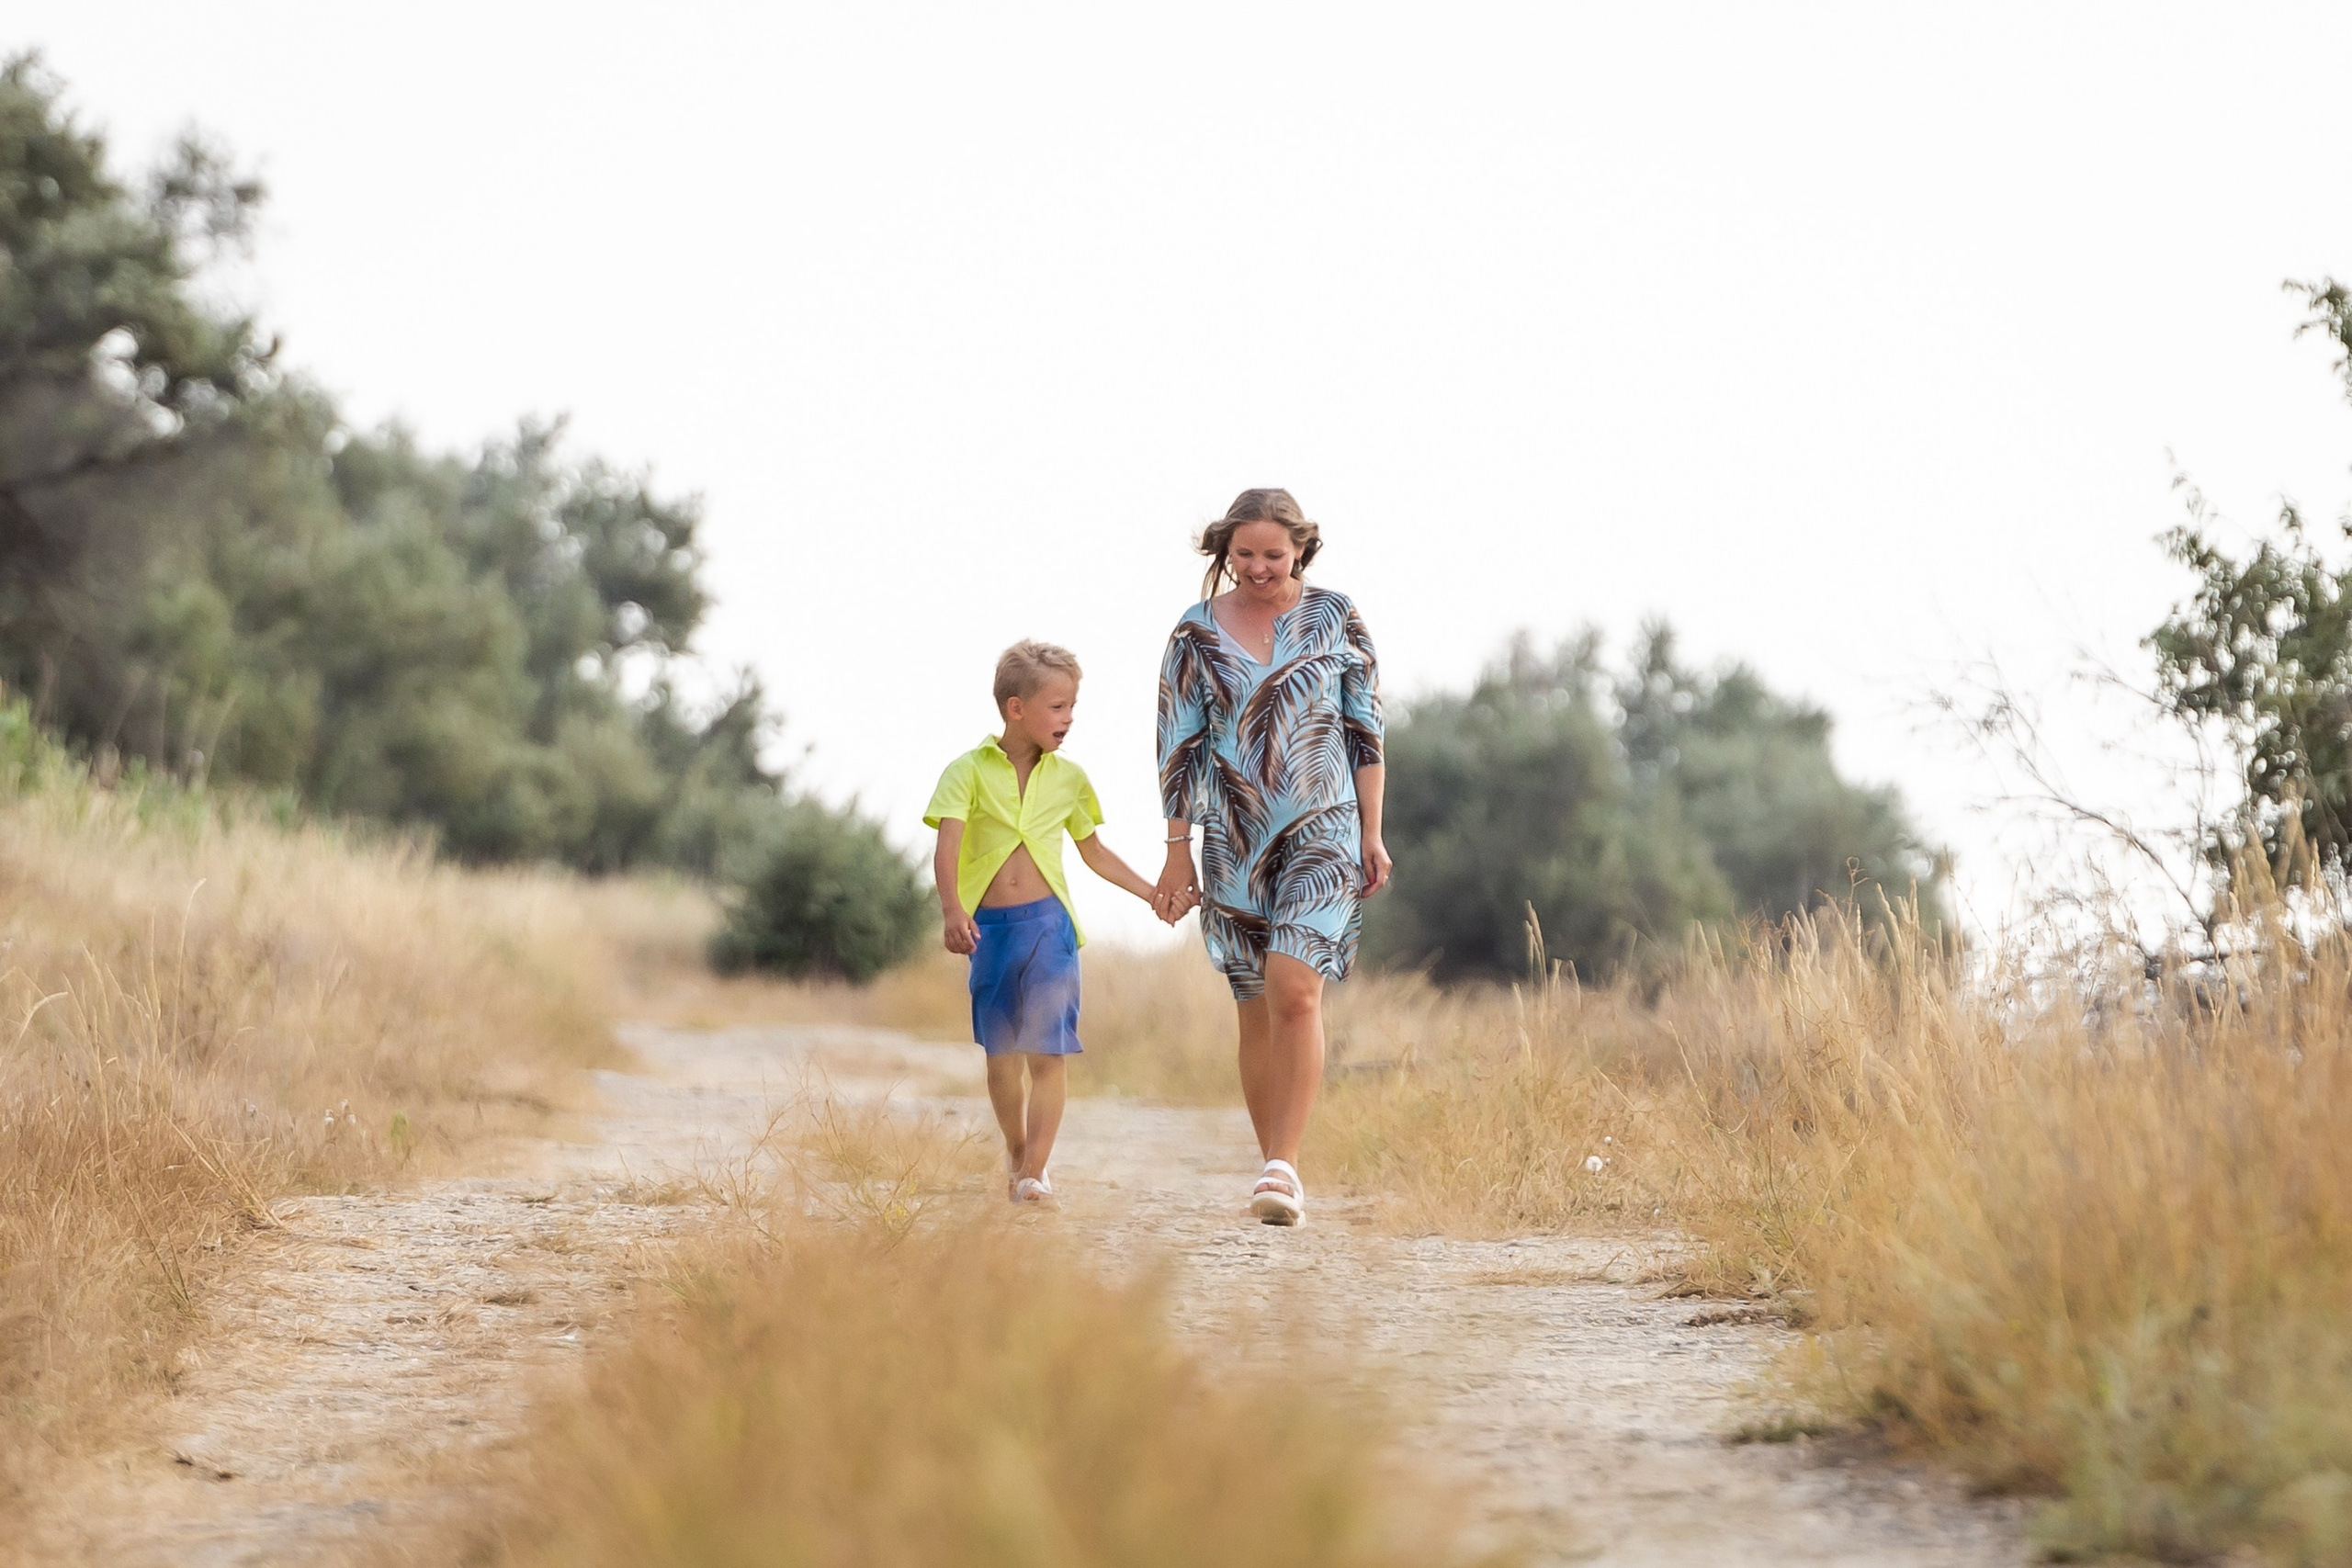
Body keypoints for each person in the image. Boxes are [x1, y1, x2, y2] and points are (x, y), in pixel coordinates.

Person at [1153, 489, 1389, 1226]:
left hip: (1326, 831)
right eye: (1244, 554)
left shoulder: (1337, 616)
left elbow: (1366, 733)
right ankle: (1273, 1167)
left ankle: (1283, 1164)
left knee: (1295, 989)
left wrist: (1373, 833)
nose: (1258, 567)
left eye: (1273, 554)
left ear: (1301, 550)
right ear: (1225, 551)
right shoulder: (1194, 632)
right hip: (1235, 836)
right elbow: (1177, 745)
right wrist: (1176, 850)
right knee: (1254, 1003)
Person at [926, 639, 1171, 1204]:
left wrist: (1152, 894)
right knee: (1001, 1058)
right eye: (1058, 706)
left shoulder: (1070, 779)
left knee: (1048, 1051)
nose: (1069, 717)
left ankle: (1035, 1170)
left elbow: (1095, 852)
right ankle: (1016, 1150)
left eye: (1072, 706)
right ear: (1016, 708)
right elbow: (947, 848)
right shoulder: (965, 772)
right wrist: (952, 909)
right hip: (989, 931)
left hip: (1049, 930)